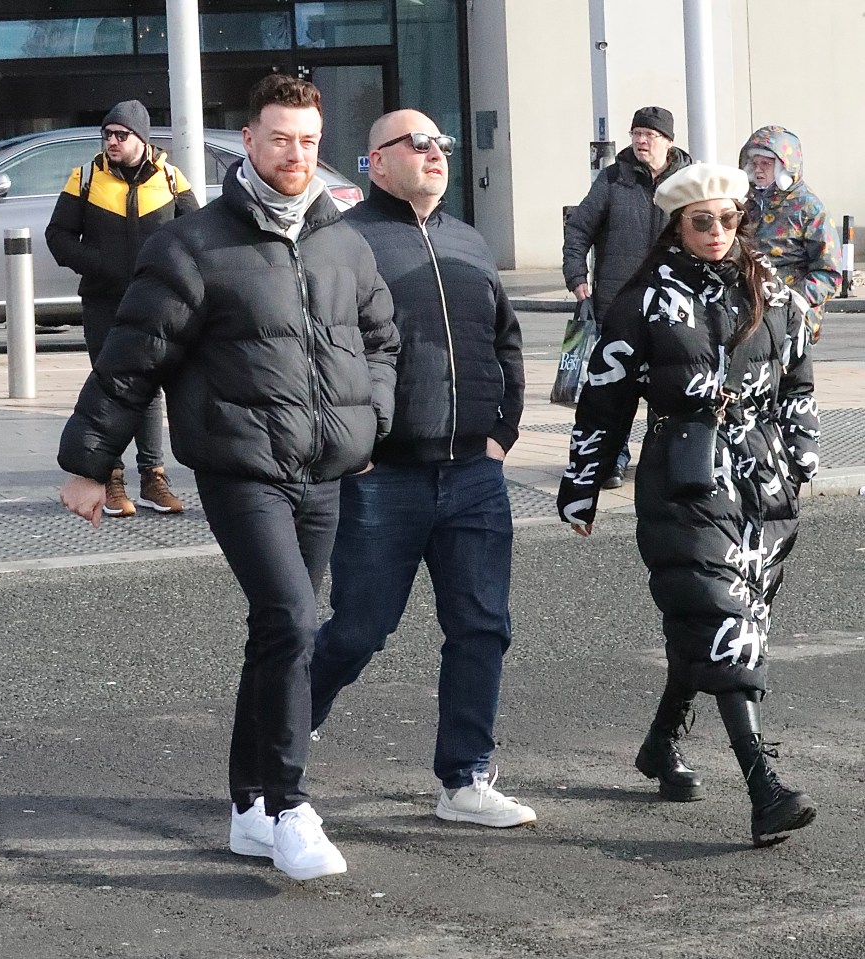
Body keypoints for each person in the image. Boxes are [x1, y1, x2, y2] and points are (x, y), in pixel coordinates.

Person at [57, 75, 399, 880]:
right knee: (291, 613)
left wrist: (370, 421)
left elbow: (382, 338)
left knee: (277, 631)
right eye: (280, 138)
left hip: (322, 469)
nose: (295, 154)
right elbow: (132, 357)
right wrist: (87, 462)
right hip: (239, 465)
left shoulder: (343, 238)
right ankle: (288, 805)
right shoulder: (193, 243)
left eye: (309, 140)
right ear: (246, 140)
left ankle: (247, 803)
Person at [556, 164, 820, 848]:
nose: (714, 232)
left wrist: (800, 456)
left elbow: (796, 376)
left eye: (726, 219)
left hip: (761, 479)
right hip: (683, 473)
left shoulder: (772, 290)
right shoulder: (642, 299)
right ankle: (762, 785)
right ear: (676, 224)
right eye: (700, 221)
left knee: (722, 617)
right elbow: (603, 398)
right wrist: (581, 486)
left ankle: (660, 742)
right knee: (720, 612)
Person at [308, 109, 535, 829]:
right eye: (418, 143)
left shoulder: (469, 239)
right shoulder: (344, 243)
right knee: (358, 628)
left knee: (481, 626)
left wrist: (502, 431)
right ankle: (282, 735)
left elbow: (506, 341)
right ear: (376, 161)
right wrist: (356, 444)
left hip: (474, 472)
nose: (435, 153)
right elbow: (321, 353)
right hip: (383, 476)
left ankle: (464, 779)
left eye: (440, 143)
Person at [46, 99, 199, 518]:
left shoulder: (170, 178)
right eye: (107, 134)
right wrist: (99, 264)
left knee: (149, 387)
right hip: (104, 302)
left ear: (142, 139)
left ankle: (152, 476)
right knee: (110, 385)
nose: (112, 141)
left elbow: (197, 234)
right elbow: (57, 236)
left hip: (155, 303)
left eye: (121, 135)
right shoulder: (85, 179)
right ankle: (112, 478)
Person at [562, 106, 691, 489]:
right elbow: (579, 229)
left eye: (649, 135)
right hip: (617, 306)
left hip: (673, 306)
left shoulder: (687, 182)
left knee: (669, 389)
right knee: (613, 392)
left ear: (668, 141)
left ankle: (665, 458)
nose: (640, 141)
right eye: (636, 133)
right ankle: (611, 460)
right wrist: (577, 277)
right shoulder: (613, 179)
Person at [739, 125, 842, 343]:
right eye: (754, 163)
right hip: (749, 309)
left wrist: (794, 299)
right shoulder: (744, 203)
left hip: (792, 316)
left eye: (766, 164)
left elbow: (829, 272)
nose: (758, 170)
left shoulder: (809, 209)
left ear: (784, 167)